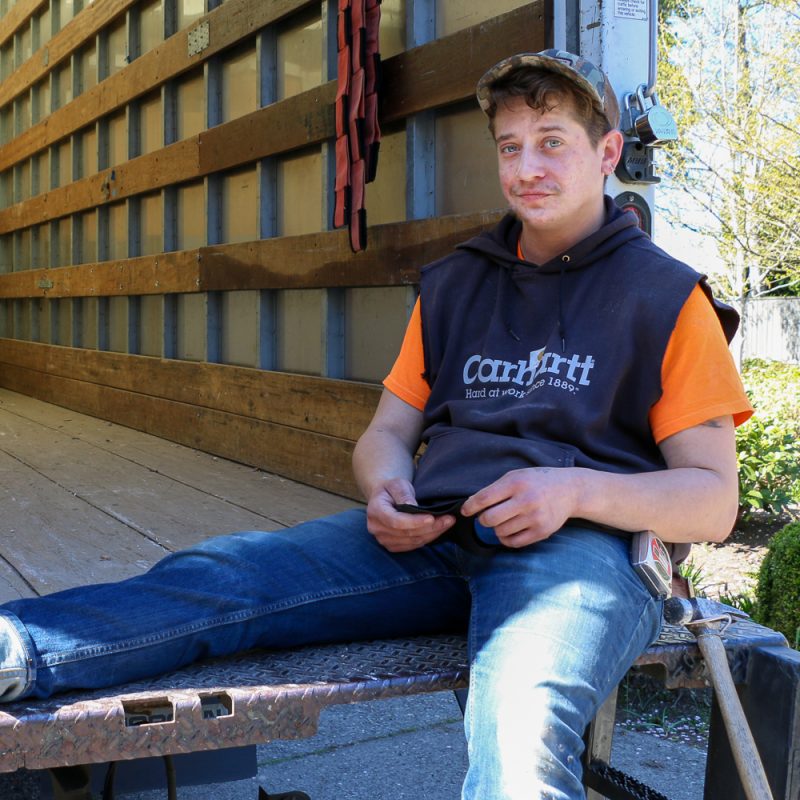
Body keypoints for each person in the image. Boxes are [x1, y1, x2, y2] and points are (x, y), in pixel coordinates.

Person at [0, 50, 752, 799]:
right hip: (436, 535)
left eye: (552, 141)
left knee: (522, 728)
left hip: (579, 556)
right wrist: (385, 487)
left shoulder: (667, 298)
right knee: (225, 574)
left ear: (608, 153)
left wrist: (569, 491)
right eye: (510, 146)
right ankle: (16, 650)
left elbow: (713, 502)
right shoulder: (457, 281)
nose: (528, 168)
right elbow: (387, 433)